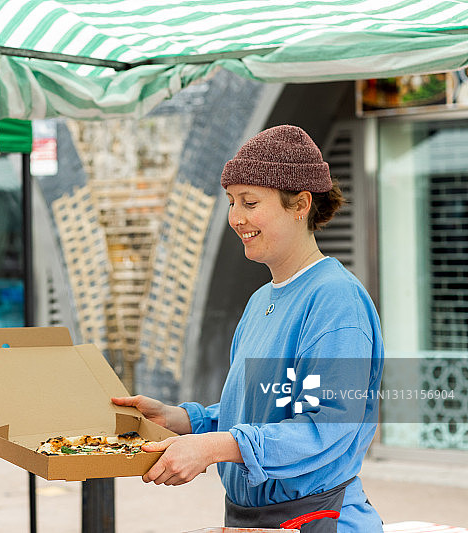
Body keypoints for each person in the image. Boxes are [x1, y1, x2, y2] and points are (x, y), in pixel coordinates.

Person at [113, 125, 384, 532]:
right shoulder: (261, 301)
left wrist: (214, 447)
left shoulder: (336, 299)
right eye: (231, 201)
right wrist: (182, 420)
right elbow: (259, 409)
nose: (236, 218)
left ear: (301, 204)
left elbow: (327, 425)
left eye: (250, 202)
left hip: (317, 521)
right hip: (250, 520)